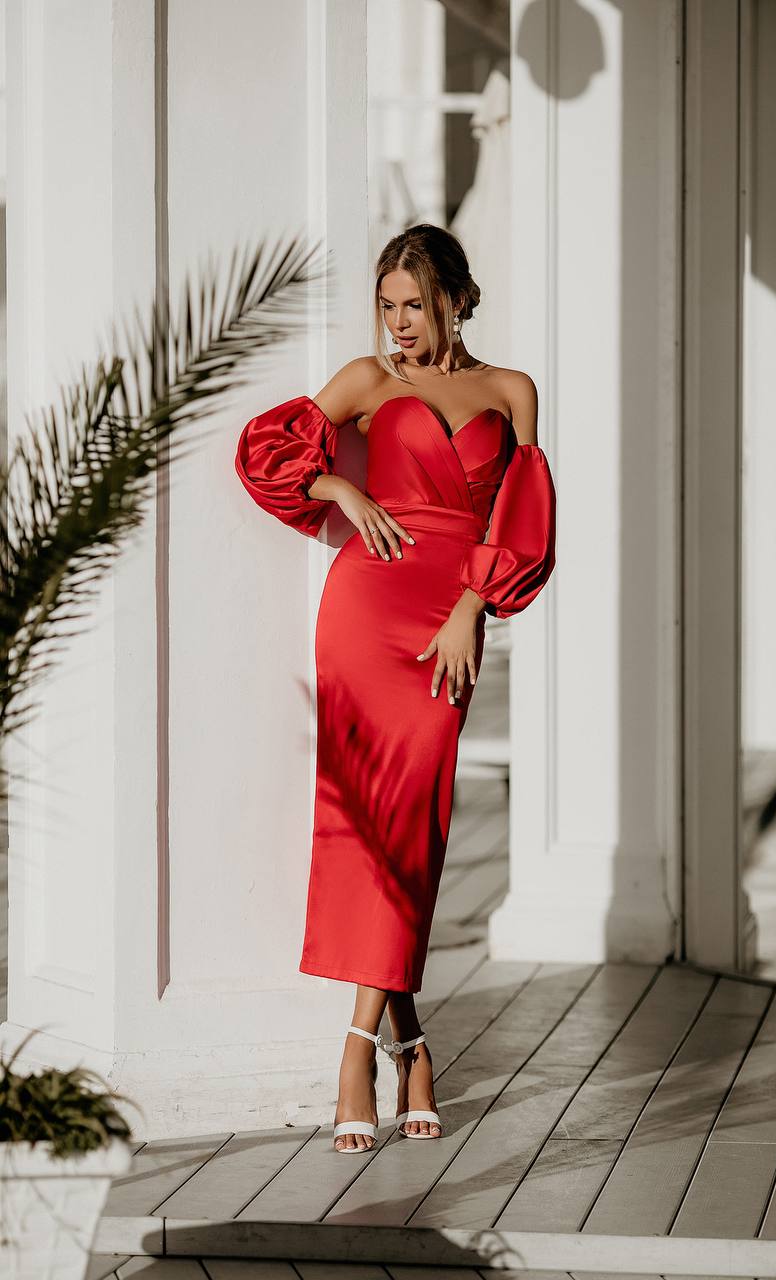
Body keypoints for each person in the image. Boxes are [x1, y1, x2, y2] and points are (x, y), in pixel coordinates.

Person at [235, 223, 556, 1154]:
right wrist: (341, 492)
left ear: (454, 299)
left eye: (415, 304)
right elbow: (265, 451)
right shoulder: (369, 382)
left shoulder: (512, 391)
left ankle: (375, 1043)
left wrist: (471, 610)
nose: (399, 323)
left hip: (449, 618)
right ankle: (391, 1046)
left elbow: (522, 518)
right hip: (364, 611)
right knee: (368, 820)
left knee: (414, 821)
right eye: (387, 306)